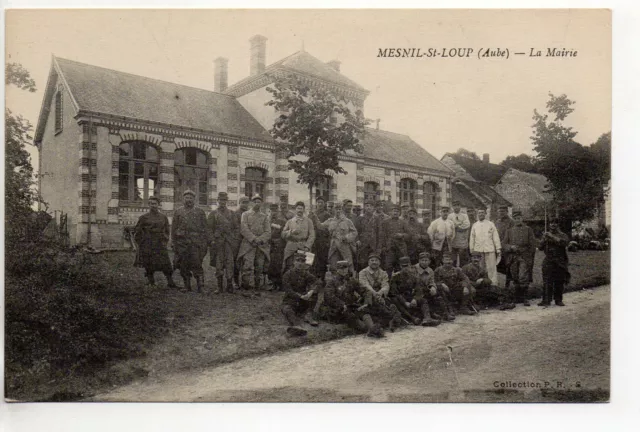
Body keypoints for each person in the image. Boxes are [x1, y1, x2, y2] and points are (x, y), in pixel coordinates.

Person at [317, 260, 384, 338]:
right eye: (341, 269)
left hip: (351, 306)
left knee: (363, 311)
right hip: (337, 309)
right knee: (352, 317)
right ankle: (371, 330)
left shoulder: (351, 280)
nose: (343, 270)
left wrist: (366, 303)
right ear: (337, 270)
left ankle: (372, 329)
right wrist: (342, 304)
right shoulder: (331, 282)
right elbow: (329, 297)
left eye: (345, 268)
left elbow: (366, 291)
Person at [171, 189, 210, 293]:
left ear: (194, 199)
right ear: (183, 199)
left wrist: (205, 243)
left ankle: (200, 286)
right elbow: (173, 228)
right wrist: (173, 242)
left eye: (191, 198)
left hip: (195, 242)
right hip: (182, 242)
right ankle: (187, 285)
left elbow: (205, 228)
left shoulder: (200, 212)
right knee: (183, 264)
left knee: (197, 263)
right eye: (187, 197)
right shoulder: (178, 211)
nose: (189, 200)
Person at [133, 195, 176, 288]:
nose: (153, 205)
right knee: (148, 263)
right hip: (147, 244)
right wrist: (141, 242)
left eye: (155, 204)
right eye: (151, 204)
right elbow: (137, 231)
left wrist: (165, 240)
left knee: (165, 263)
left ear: (158, 205)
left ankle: (170, 282)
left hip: (160, 243)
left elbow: (167, 230)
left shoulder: (163, 217)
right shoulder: (143, 217)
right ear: (148, 205)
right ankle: (151, 282)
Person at [358, 253, 404, 332]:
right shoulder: (363, 272)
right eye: (372, 260)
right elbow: (365, 284)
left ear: (379, 262)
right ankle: (388, 320)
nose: (374, 262)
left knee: (390, 305)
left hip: (380, 296)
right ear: (368, 262)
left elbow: (385, 285)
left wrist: (380, 292)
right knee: (369, 307)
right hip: (366, 296)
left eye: (376, 260)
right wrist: (374, 293)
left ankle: (391, 320)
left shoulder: (383, 273)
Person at [389, 256, 441, 326]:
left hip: (410, 297)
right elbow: (394, 293)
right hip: (400, 299)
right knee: (394, 300)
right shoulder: (395, 277)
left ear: (410, 265)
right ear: (400, 266)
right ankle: (412, 318)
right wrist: (405, 302)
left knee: (423, 300)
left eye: (407, 266)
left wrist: (415, 299)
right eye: (403, 266)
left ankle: (427, 319)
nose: (405, 268)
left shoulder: (413, 275)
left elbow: (418, 288)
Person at [281, 251, 323, 336]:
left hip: (303, 302)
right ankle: (297, 326)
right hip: (291, 300)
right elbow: (288, 290)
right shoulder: (287, 274)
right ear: (294, 262)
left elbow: (317, 282)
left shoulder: (305, 274)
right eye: (298, 261)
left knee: (314, 293)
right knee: (287, 310)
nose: (300, 263)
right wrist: (300, 296)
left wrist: (311, 292)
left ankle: (308, 314)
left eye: (302, 261)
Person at [311, 202, 358, 275]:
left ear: (342, 210)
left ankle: (351, 282)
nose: (338, 211)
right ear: (333, 210)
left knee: (348, 264)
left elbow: (354, 232)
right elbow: (320, 226)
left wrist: (346, 237)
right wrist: (315, 217)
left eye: (339, 209)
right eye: (336, 209)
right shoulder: (330, 221)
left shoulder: (347, 221)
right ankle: (335, 282)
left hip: (344, 246)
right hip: (333, 246)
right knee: (333, 264)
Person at [502, 210, 537, 306]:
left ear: (522, 218)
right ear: (513, 219)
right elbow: (504, 244)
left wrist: (528, 256)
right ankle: (517, 297)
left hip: (524, 257)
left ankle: (525, 298)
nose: (517, 220)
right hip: (513, 257)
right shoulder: (509, 231)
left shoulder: (528, 229)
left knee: (523, 276)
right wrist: (510, 247)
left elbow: (533, 245)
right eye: (515, 218)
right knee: (515, 276)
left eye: (519, 218)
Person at [237, 194, 271, 291]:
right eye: (255, 202)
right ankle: (245, 286)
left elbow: (268, 232)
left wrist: (260, 239)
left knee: (259, 266)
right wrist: (253, 239)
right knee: (247, 265)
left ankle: (257, 287)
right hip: (248, 244)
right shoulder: (245, 214)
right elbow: (243, 229)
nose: (257, 204)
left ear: (262, 204)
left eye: (259, 202)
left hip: (260, 245)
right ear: (252, 203)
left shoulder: (264, 217)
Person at [207, 192, 239, 294]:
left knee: (230, 263)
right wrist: (212, 240)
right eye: (220, 200)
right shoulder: (213, 214)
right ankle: (219, 287)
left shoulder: (232, 213)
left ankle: (229, 285)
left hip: (229, 243)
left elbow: (237, 228)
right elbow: (209, 229)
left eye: (224, 200)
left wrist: (234, 239)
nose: (222, 202)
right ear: (218, 201)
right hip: (218, 243)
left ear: (227, 201)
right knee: (218, 264)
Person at [413, 252, 455, 321]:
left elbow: (432, 281)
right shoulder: (414, 269)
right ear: (419, 261)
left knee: (439, 289)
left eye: (426, 260)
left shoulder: (430, 270)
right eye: (422, 260)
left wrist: (433, 287)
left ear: (429, 261)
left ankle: (446, 313)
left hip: (426, 290)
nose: (424, 262)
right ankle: (430, 314)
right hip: (415, 291)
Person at [538, 219, 571, 307]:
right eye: (551, 223)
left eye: (555, 223)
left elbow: (564, 243)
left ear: (558, 225)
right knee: (547, 281)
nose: (553, 225)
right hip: (548, 260)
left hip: (560, 260)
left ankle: (558, 300)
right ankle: (546, 300)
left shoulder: (562, 235)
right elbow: (540, 247)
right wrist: (544, 240)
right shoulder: (546, 235)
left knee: (559, 281)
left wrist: (552, 237)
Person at [469, 208, 502, 286]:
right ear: (477, 214)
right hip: (478, 250)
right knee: (480, 267)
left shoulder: (490, 224)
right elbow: (472, 238)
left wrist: (498, 248)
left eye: (482, 213)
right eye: (479, 213)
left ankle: (493, 283)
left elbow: (495, 237)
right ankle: (480, 283)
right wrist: (471, 249)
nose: (481, 214)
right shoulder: (475, 225)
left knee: (491, 268)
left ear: (485, 214)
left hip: (489, 249)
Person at [282, 201, 316, 273]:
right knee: (289, 266)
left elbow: (312, 235)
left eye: (301, 208)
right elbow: (283, 234)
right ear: (295, 209)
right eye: (298, 208)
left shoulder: (309, 221)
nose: (300, 210)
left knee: (306, 266)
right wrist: (291, 232)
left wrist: (307, 246)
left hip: (303, 245)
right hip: (291, 245)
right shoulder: (290, 221)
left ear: (304, 210)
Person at [379, 204, 409, 277]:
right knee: (388, 266)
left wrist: (402, 235)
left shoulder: (403, 222)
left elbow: (409, 235)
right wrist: (383, 246)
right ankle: (388, 283)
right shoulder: (385, 222)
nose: (395, 213)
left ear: (399, 213)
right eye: (394, 211)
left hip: (401, 248)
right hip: (389, 248)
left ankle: (399, 284)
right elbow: (382, 235)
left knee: (400, 266)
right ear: (390, 212)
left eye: (397, 211)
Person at [354, 200, 381, 272]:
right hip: (362, 245)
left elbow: (379, 233)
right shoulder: (359, 218)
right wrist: (357, 240)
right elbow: (355, 231)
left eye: (371, 206)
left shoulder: (377, 219)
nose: (369, 208)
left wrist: (378, 247)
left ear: (374, 208)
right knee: (362, 264)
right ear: (364, 208)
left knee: (373, 264)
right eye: (367, 206)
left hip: (373, 245)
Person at [267, 203, 287, 291]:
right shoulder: (266, 220)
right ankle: (272, 283)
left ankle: (279, 283)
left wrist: (278, 241)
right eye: (272, 210)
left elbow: (284, 233)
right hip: (269, 244)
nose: (273, 212)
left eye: (275, 210)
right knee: (270, 264)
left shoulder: (282, 221)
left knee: (278, 264)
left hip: (279, 245)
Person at [232, 196, 251, 287]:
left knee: (246, 261)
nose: (245, 204)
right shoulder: (236, 213)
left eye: (247, 202)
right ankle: (235, 281)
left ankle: (245, 282)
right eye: (243, 202)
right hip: (238, 240)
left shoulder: (249, 214)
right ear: (239, 203)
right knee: (236, 260)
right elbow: (237, 227)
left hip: (247, 240)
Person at [311, 196, 331, 279]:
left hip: (323, 240)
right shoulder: (312, 213)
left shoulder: (327, 215)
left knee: (322, 260)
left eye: (321, 202)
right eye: (318, 202)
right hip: (313, 239)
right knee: (312, 259)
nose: (319, 204)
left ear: (324, 204)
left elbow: (328, 228)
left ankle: (322, 279)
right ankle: (313, 278)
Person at [494, 205, 515, 287]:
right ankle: (498, 283)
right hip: (498, 247)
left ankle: (507, 285)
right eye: (499, 211)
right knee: (497, 265)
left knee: (508, 266)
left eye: (503, 211)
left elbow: (513, 235)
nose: (501, 213)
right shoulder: (497, 222)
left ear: (507, 212)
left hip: (507, 248)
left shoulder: (511, 222)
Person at [448, 201, 471, 267]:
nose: (456, 207)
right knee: (453, 260)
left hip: (462, 241)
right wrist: (459, 224)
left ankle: (462, 272)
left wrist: (457, 226)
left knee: (463, 259)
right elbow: (449, 226)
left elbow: (466, 225)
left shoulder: (464, 215)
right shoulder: (450, 216)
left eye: (458, 205)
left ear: (460, 206)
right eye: (455, 205)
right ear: (452, 207)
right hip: (453, 241)